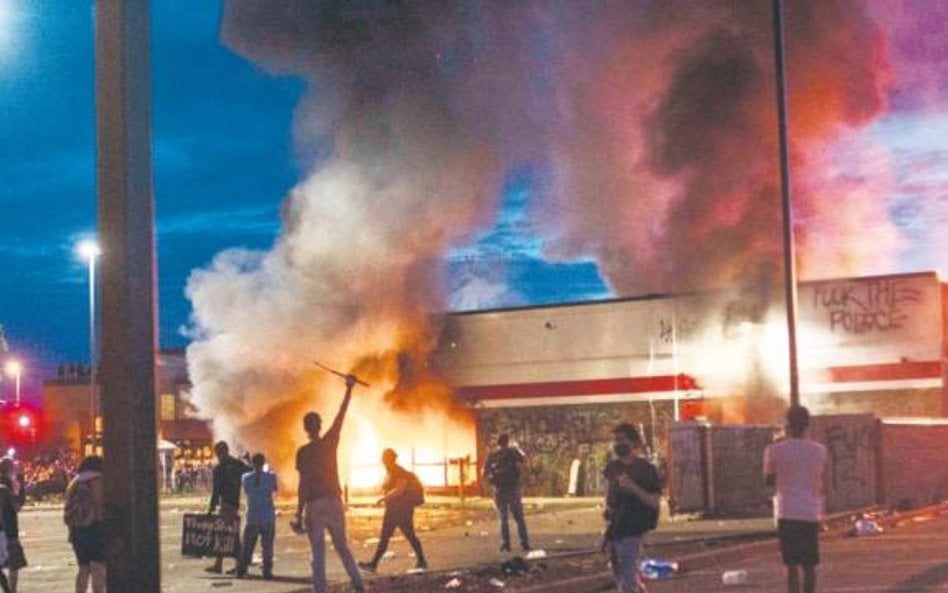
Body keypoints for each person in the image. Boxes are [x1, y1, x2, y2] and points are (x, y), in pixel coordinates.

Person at [295, 374, 364, 593]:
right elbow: (341, 416)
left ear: (306, 428)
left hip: (314, 505)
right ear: (320, 425)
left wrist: (298, 512)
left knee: (317, 553)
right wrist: (349, 389)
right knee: (342, 547)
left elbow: (303, 484)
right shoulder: (329, 443)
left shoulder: (303, 453)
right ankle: (358, 584)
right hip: (334, 501)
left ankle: (320, 590)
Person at [764, 405, 827, 593]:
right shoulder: (819, 450)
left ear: (788, 424)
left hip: (787, 511)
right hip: (810, 512)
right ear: (807, 425)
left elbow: (768, 480)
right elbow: (821, 477)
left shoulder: (774, 450)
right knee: (809, 566)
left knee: (791, 565)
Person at [603, 423, 661, 593]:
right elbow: (608, 492)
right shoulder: (612, 467)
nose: (617, 444)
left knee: (627, 576)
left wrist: (632, 487)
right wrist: (607, 507)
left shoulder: (646, 470)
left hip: (634, 527)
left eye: (621, 440)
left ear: (633, 442)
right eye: (615, 440)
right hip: (616, 527)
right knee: (620, 572)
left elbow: (654, 502)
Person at [358, 449, 428, 573]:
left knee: (408, 535)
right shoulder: (391, 471)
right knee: (387, 536)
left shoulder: (398, 471)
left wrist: (384, 498)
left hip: (401, 509)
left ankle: (421, 560)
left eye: (384, 457)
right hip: (394, 509)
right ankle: (373, 564)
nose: (382, 460)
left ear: (389, 459)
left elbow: (399, 490)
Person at [206, 441, 251, 574]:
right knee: (227, 534)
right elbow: (251, 471)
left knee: (227, 535)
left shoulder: (219, 468)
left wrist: (211, 508)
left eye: (218, 453)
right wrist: (248, 460)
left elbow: (216, 490)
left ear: (220, 452)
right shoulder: (238, 464)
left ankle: (238, 566)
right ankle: (220, 564)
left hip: (226, 505)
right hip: (234, 503)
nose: (218, 456)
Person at [64, 455, 106, 593]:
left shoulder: (75, 482)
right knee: (98, 568)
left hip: (77, 530)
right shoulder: (96, 479)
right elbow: (98, 505)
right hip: (94, 528)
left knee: (83, 568)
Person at [482, 434, 530, 552]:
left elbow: (484, 473)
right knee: (519, 518)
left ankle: (505, 544)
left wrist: (492, 483)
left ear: (498, 443)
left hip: (499, 490)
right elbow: (524, 459)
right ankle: (524, 543)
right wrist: (517, 447)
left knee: (503, 518)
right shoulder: (513, 452)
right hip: (513, 489)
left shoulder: (492, 455)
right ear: (507, 442)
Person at [236, 452, 277, 580]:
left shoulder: (245, 477)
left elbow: (247, 491)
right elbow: (274, 490)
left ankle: (242, 570)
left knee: (247, 546)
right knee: (267, 546)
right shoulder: (271, 477)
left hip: (253, 516)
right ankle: (266, 571)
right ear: (264, 462)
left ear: (252, 463)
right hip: (267, 515)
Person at [0, 458, 26, 592]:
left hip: (4, 528)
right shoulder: (6, 486)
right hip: (8, 529)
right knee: (13, 564)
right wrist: (22, 484)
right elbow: (16, 505)